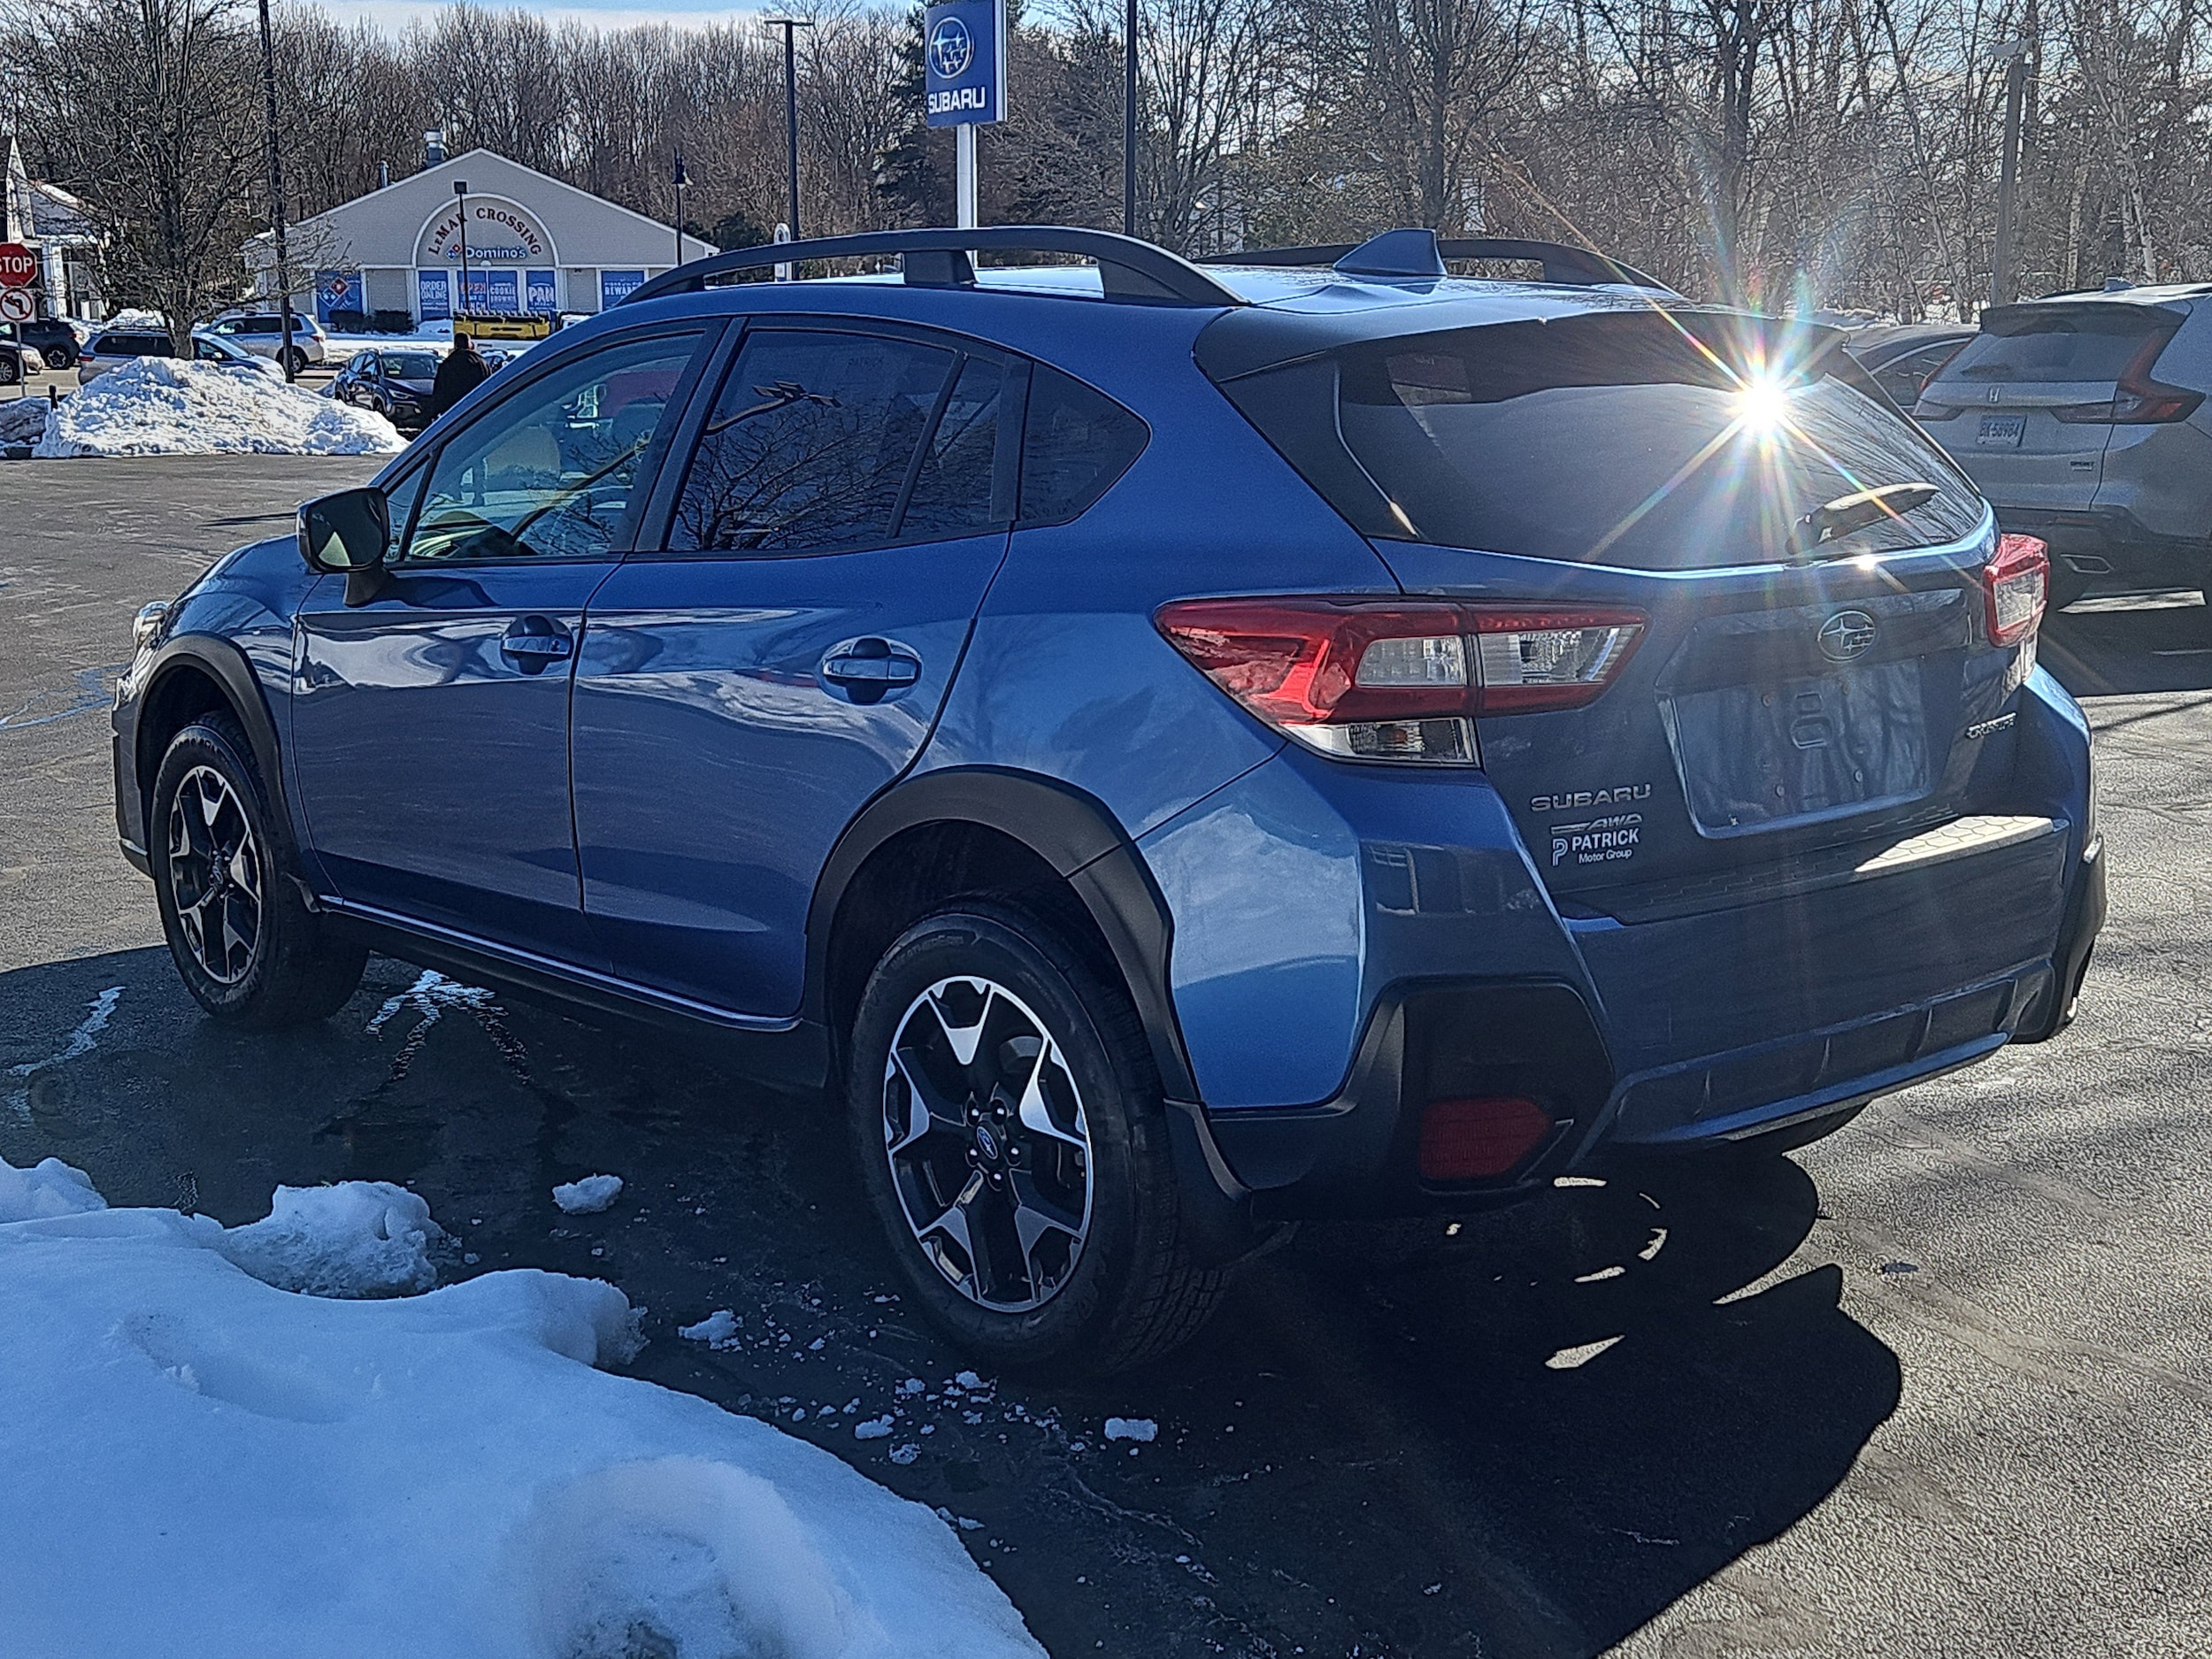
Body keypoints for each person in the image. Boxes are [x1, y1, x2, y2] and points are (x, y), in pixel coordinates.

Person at [430, 331, 492, 418]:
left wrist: (436, 410)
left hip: (453, 411)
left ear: (456, 345)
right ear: (470, 345)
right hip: (476, 407)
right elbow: (488, 385)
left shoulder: (448, 363)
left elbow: (440, 389)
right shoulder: (480, 362)